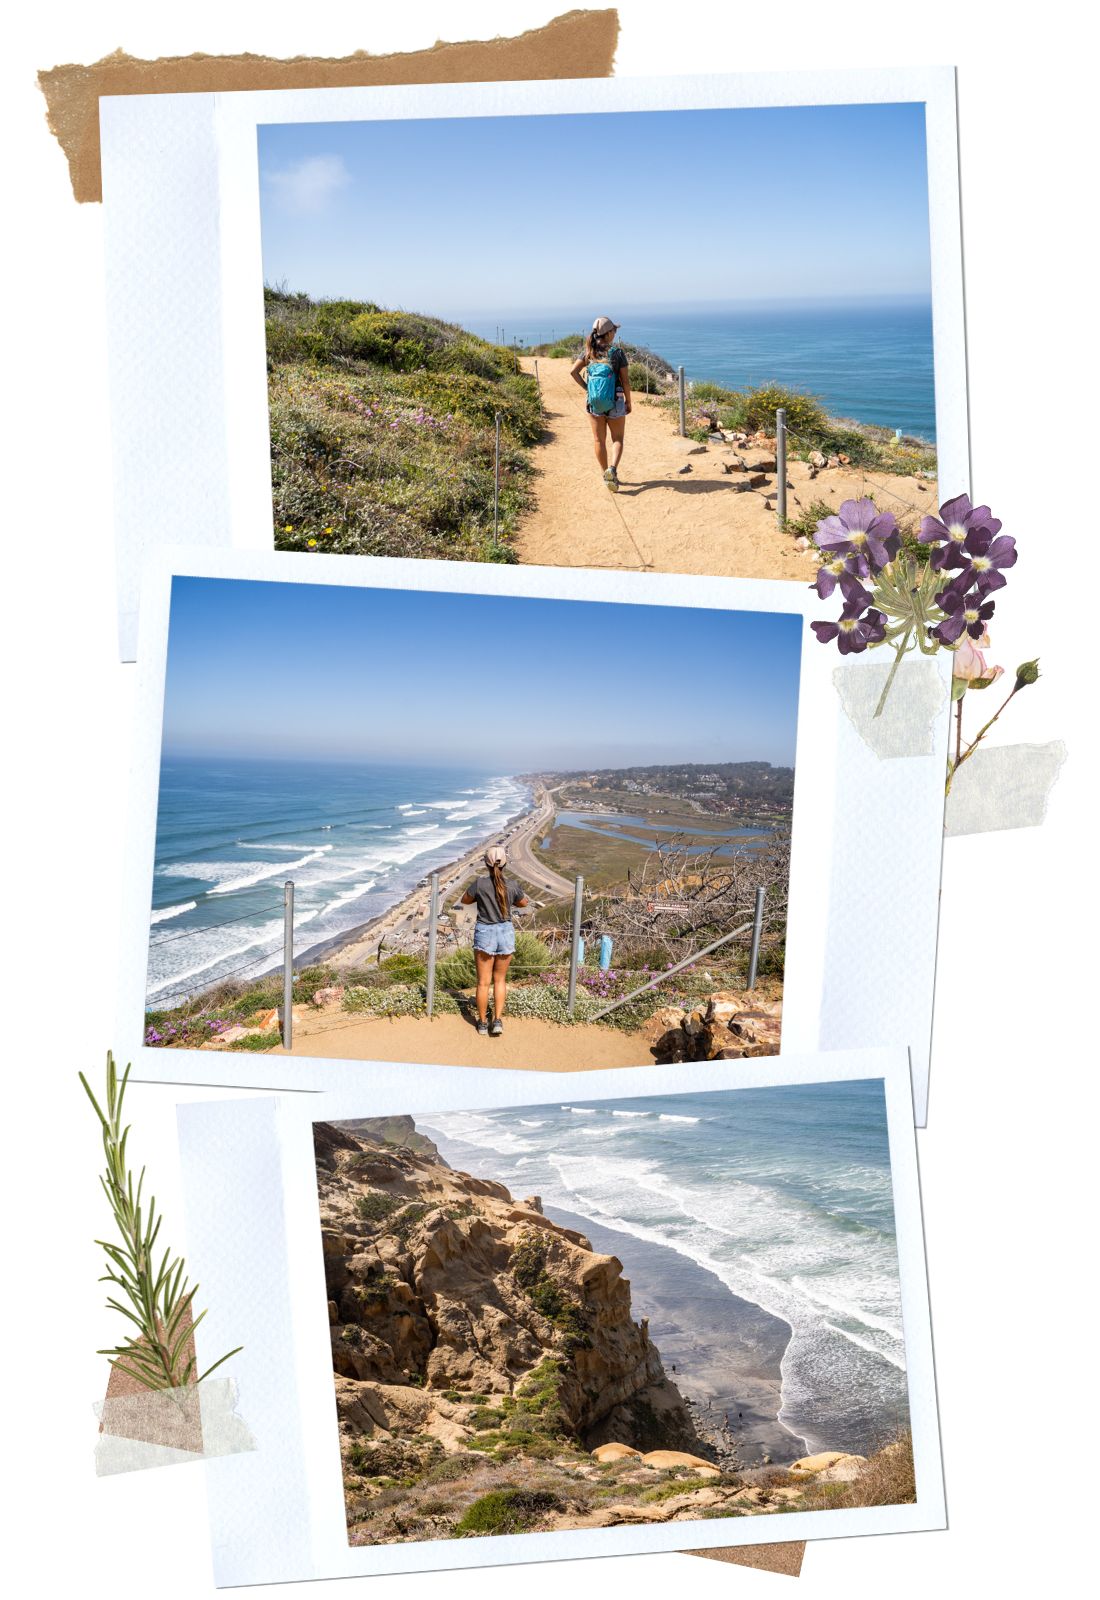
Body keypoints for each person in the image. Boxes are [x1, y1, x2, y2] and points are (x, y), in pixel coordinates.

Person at [460, 847, 529, 1036]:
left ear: (486, 863)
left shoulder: (480, 884)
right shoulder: (513, 884)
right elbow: (524, 903)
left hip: (485, 931)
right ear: (504, 863)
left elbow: (465, 900)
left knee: (483, 982)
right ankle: (497, 1021)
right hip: (505, 931)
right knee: (500, 980)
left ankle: (482, 1023)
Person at [571, 316, 632, 493]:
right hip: (616, 401)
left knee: (599, 440)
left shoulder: (588, 352)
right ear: (609, 333)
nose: (615, 332)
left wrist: (587, 389)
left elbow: (573, 372)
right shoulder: (617, 353)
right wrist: (628, 401)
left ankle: (605, 474)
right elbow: (625, 382)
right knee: (617, 439)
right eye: (614, 330)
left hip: (594, 403)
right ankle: (612, 470)